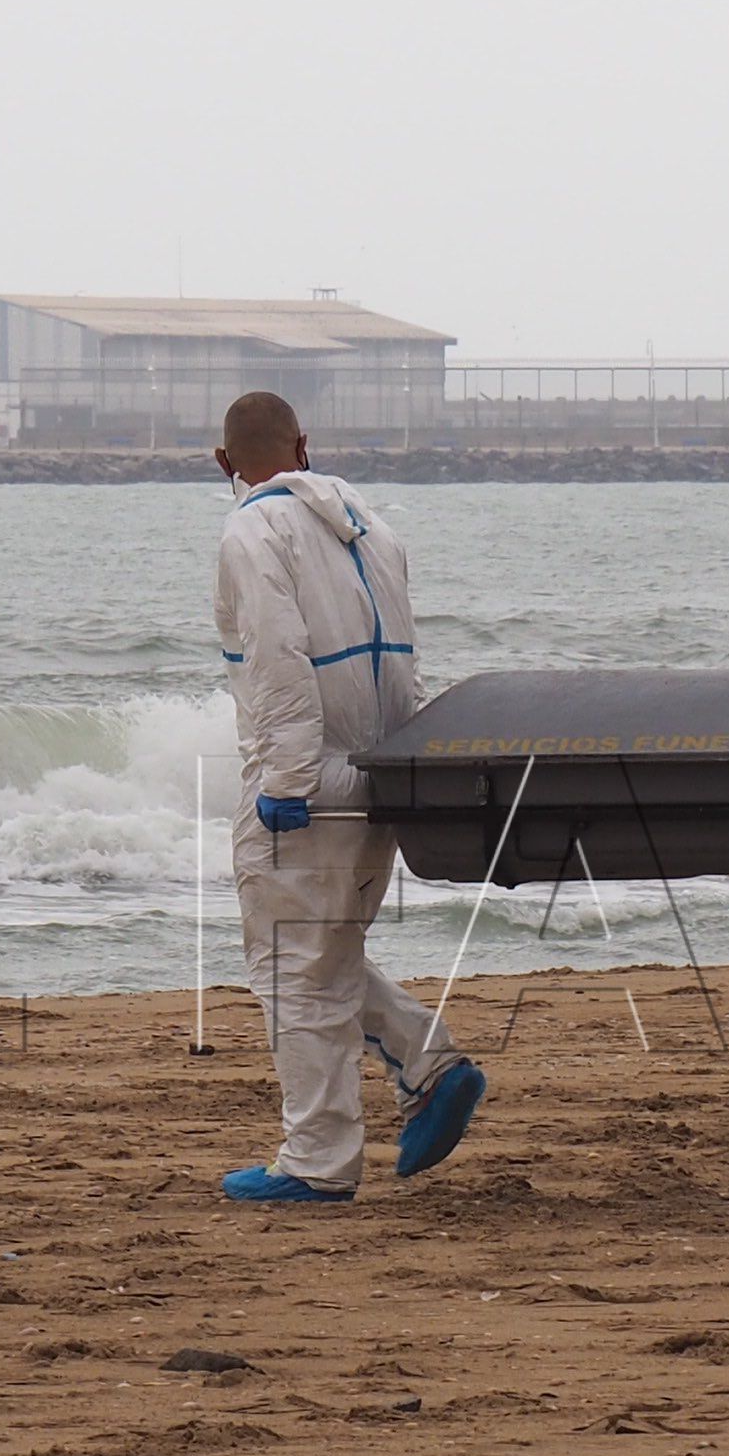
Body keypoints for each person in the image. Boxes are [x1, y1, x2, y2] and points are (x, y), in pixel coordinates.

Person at [209, 389, 487, 1202]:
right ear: (304, 444)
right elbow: (401, 658)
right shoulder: (370, 527)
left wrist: (287, 782)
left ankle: (318, 1162)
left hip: (307, 776)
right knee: (322, 955)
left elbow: (278, 660)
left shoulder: (251, 529)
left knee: (290, 969)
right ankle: (431, 1069)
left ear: (225, 465)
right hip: (378, 767)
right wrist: (406, 766)